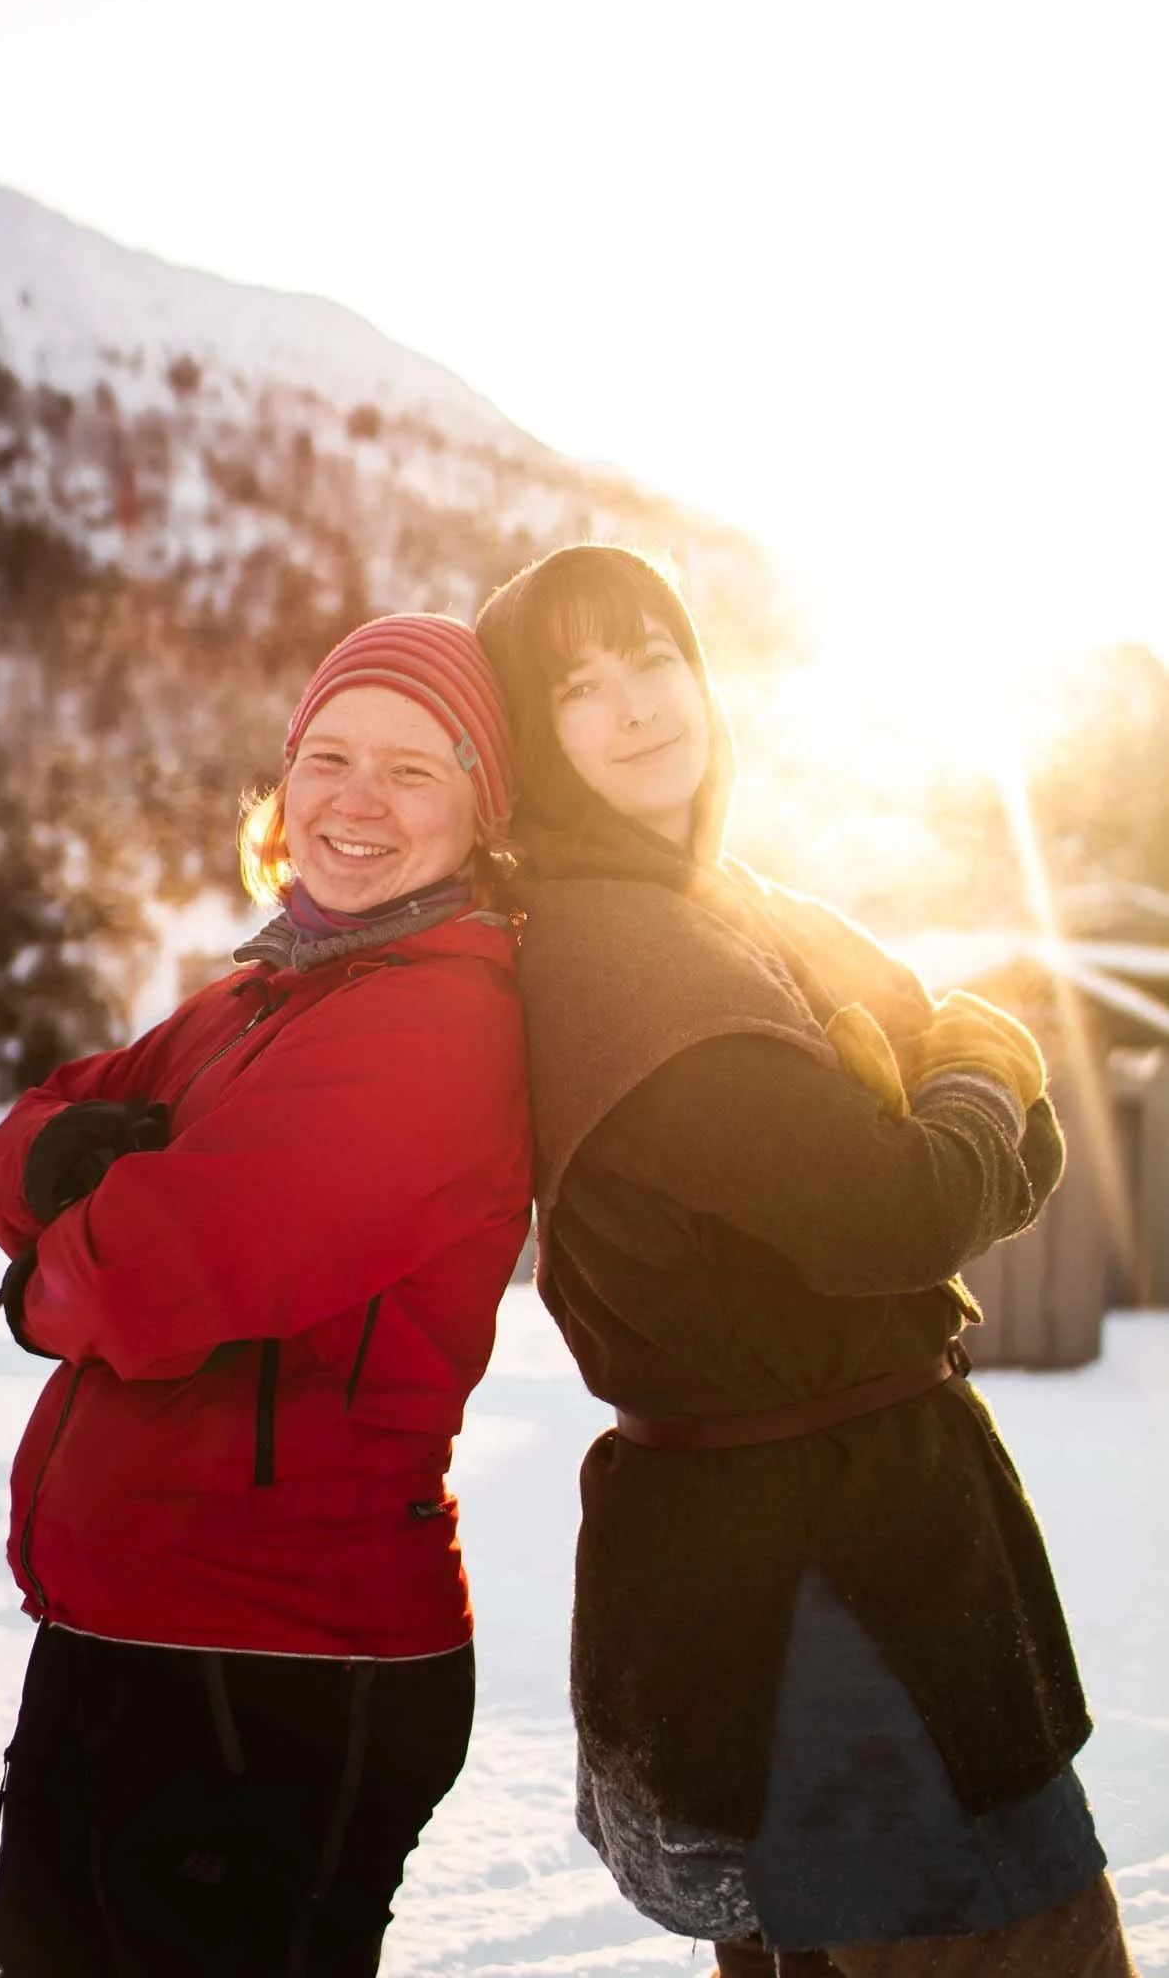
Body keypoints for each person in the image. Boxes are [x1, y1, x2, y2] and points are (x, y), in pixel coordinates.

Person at [475, 544, 1136, 1978]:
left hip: (848, 1566)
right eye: (581, 687)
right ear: (537, 738)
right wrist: (976, 1069)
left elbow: (988, 1172)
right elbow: (905, 1203)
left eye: (655, 658)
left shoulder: (726, 907)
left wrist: (960, 1113)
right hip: (832, 1607)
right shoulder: (632, 961)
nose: (638, 704)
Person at [0, 613, 532, 1978]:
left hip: (282, 1664)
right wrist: (60, 1171)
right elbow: (30, 1132)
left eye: (414, 767)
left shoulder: (439, 1025)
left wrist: (45, 1290)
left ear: (483, 805)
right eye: (328, 756)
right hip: (123, 1627)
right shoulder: (257, 999)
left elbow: (158, 1282)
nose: (356, 799)